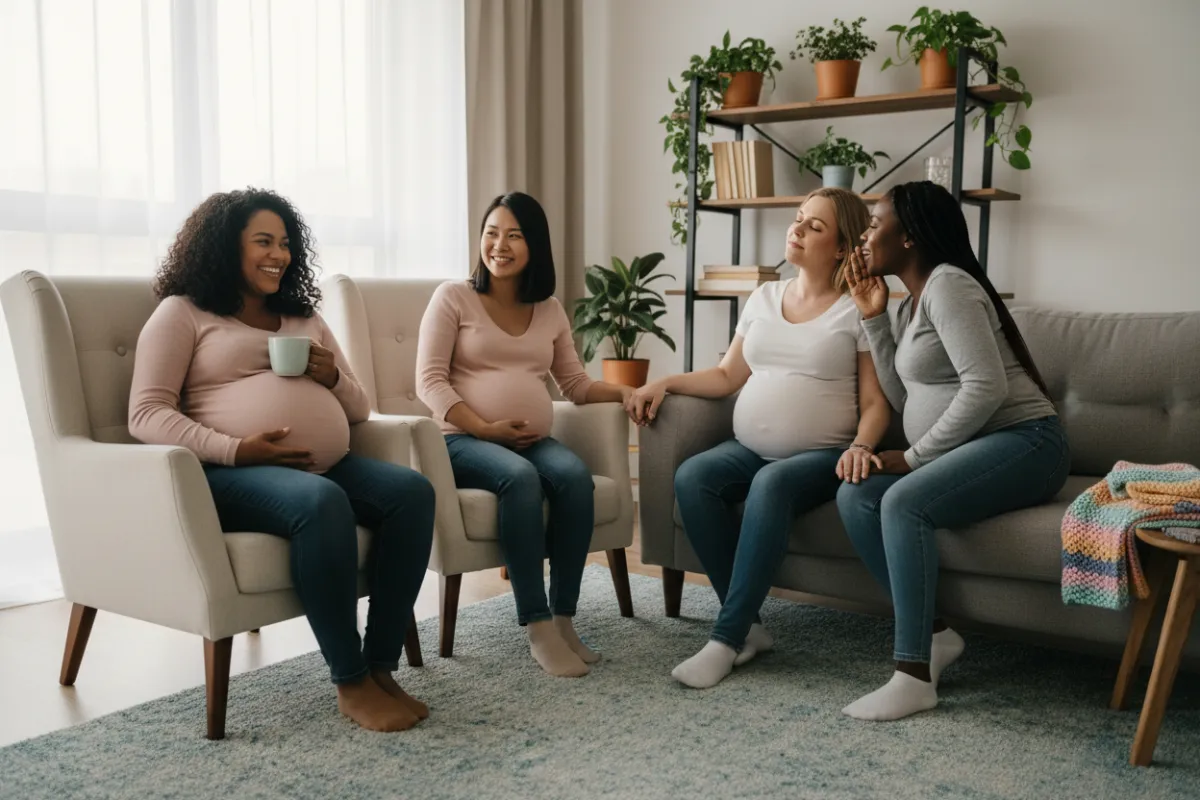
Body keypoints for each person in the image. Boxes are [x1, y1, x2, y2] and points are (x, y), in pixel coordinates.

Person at [129, 188, 436, 733]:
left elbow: (361, 405)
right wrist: (237, 449)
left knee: (412, 493)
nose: (279, 255)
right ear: (226, 247)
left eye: (286, 244)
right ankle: (349, 681)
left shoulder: (304, 316)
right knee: (321, 503)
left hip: (326, 464)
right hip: (230, 474)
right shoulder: (183, 313)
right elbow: (146, 414)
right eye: (263, 242)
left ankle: (381, 666)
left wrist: (331, 377)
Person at [626, 187, 890, 689]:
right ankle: (749, 628)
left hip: (823, 454)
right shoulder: (765, 297)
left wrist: (861, 446)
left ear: (840, 247)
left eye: (815, 226)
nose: (797, 229)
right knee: (694, 477)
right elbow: (727, 376)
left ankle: (726, 640)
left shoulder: (856, 309)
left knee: (771, 484)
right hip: (749, 448)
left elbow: (877, 402)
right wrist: (663, 381)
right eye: (798, 219)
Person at [838, 181, 1069, 721]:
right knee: (857, 498)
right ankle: (937, 634)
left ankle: (913, 675)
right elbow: (903, 397)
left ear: (911, 236)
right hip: (976, 445)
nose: (866, 235)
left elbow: (986, 387)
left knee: (902, 502)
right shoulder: (908, 304)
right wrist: (873, 317)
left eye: (875, 223)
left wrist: (915, 459)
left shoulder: (949, 285)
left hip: (1027, 442)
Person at [416, 191, 632, 678]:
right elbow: (429, 382)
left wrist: (630, 394)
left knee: (576, 479)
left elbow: (574, 384)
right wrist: (485, 428)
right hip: (460, 439)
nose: (500, 245)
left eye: (514, 235)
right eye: (491, 233)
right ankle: (536, 626)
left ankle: (563, 618)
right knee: (520, 480)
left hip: (532, 440)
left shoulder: (549, 309)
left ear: (535, 244)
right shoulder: (453, 297)